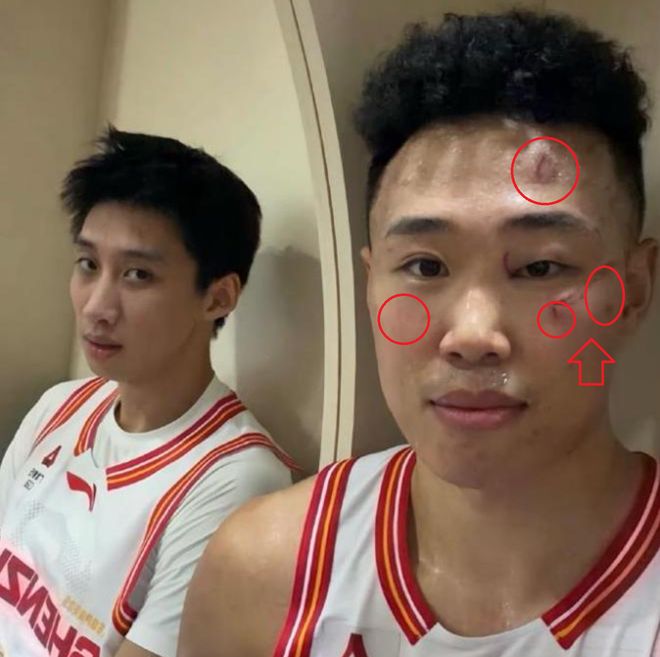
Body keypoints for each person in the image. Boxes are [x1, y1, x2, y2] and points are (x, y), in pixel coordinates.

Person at [178, 9, 660, 657]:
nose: (472, 334)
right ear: (371, 283)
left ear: (632, 290)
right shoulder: (261, 573)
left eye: (541, 267)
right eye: (425, 267)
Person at [0, 126, 299, 657]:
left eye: (137, 274)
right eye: (89, 265)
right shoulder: (62, 406)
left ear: (217, 298)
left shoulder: (235, 480)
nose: (97, 306)